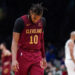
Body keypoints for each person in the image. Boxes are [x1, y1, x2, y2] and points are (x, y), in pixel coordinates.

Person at [11, 3, 47, 75]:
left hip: (37, 55)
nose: (36, 20)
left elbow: (42, 40)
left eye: (38, 18)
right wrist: (14, 60)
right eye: (34, 18)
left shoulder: (42, 21)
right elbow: (14, 42)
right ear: (30, 12)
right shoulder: (20, 22)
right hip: (23, 54)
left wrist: (44, 57)